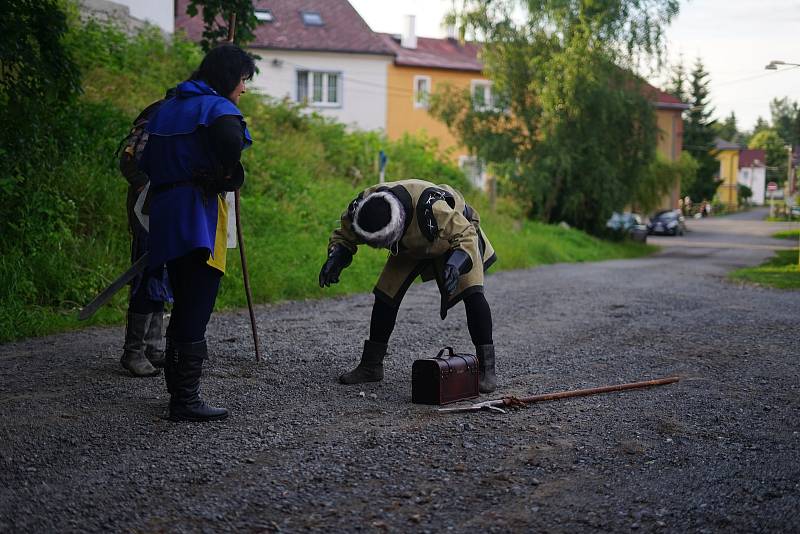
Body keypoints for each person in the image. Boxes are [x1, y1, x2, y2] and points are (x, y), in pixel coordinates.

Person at [139, 44, 255, 422]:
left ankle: (179, 393)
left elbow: (145, 159)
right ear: (228, 78)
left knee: (183, 299)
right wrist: (224, 170)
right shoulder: (216, 107)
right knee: (195, 304)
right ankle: (184, 400)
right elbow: (229, 136)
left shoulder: (168, 107)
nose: (244, 89)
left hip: (166, 210)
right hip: (197, 210)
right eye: (242, 80)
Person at [319, 179, 499, 393]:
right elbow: (345, 234)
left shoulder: (432, 207)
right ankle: (371, 366)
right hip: (408, 246)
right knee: (385, 296)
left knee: (473, 294)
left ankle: (487, 369)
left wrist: (456, 263)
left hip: (453, 241)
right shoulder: (363, 207)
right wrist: (337, 256)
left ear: (397, 227)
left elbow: (466, 235)